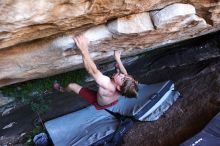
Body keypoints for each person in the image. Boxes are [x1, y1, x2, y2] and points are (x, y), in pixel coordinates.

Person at [54, 34, 139, 110]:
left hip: (98, 102)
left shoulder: (106, 83)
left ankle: (62, 90)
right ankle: (116, 70)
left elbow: (92, 70)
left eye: (123, 78)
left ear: (119, 88)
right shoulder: (125, 87)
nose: (122, 74)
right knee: (119, 73)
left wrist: (84, 49)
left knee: (71, 85)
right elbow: (125, 74)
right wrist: (118, 59)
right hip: (111, 99)